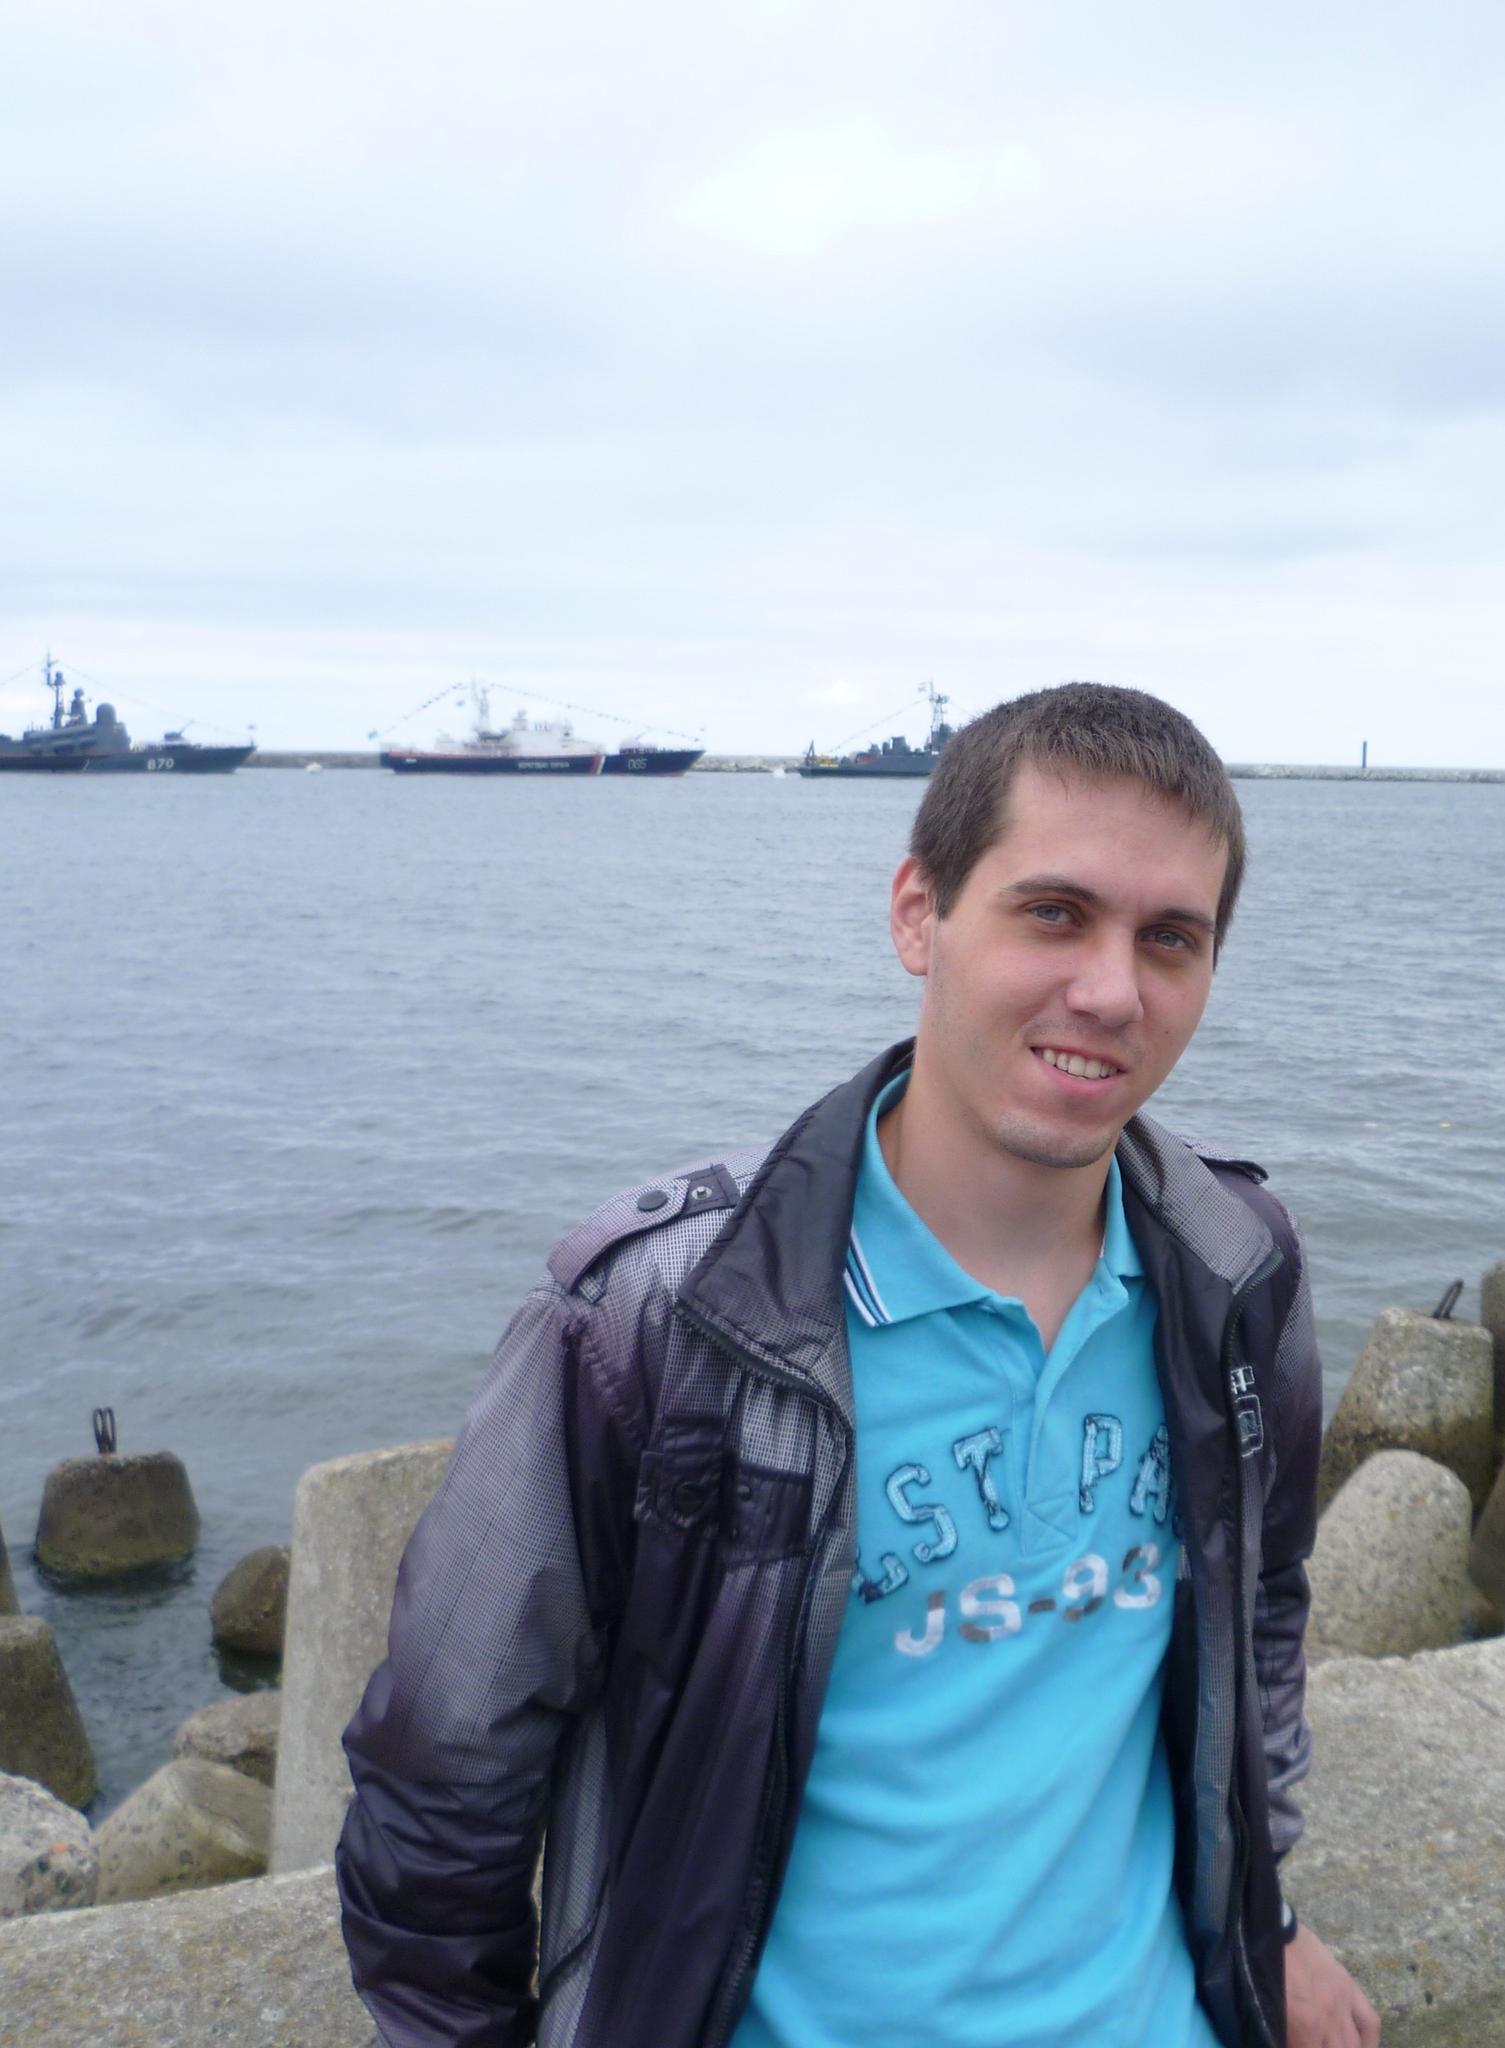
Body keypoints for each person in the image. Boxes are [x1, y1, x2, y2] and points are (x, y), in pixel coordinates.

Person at [336, 683, 1381, 2048]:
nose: (1111, 991)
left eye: (1169, 939)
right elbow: (445, 1774)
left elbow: (1261, 1605)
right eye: (1053, 913)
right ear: (917, 914)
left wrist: (1263, 1912)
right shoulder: (658, 1317)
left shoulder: (1234, 1270)